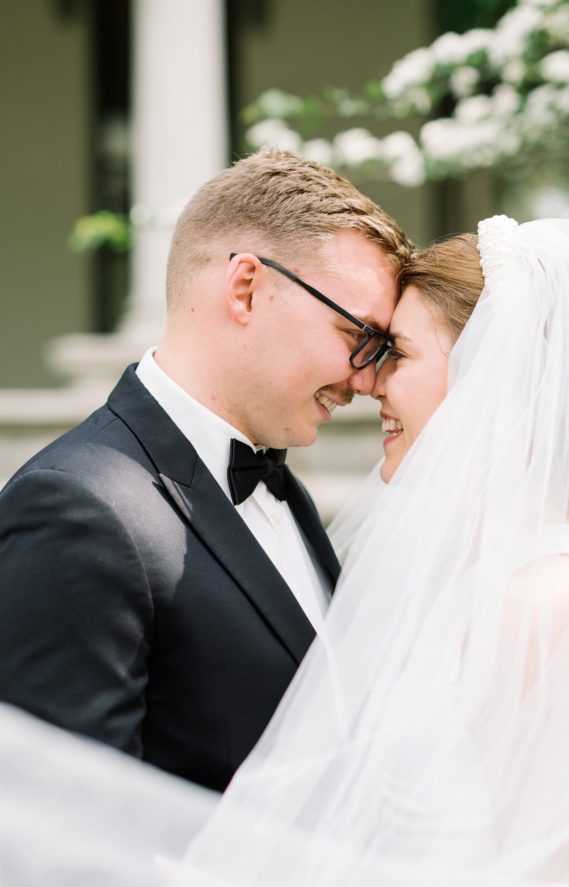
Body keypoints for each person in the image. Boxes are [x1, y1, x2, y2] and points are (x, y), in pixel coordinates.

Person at [1, 215, 569, 887]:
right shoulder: (500, 578)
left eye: (394, 351)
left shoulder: (552, 598)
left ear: (495, 374)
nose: (369, 382)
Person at [0, 150, 411, 791]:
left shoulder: (281, 486)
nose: (365, 378)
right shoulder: (78, 507)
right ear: (245, 287)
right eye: (358, 335)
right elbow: (66, 830)